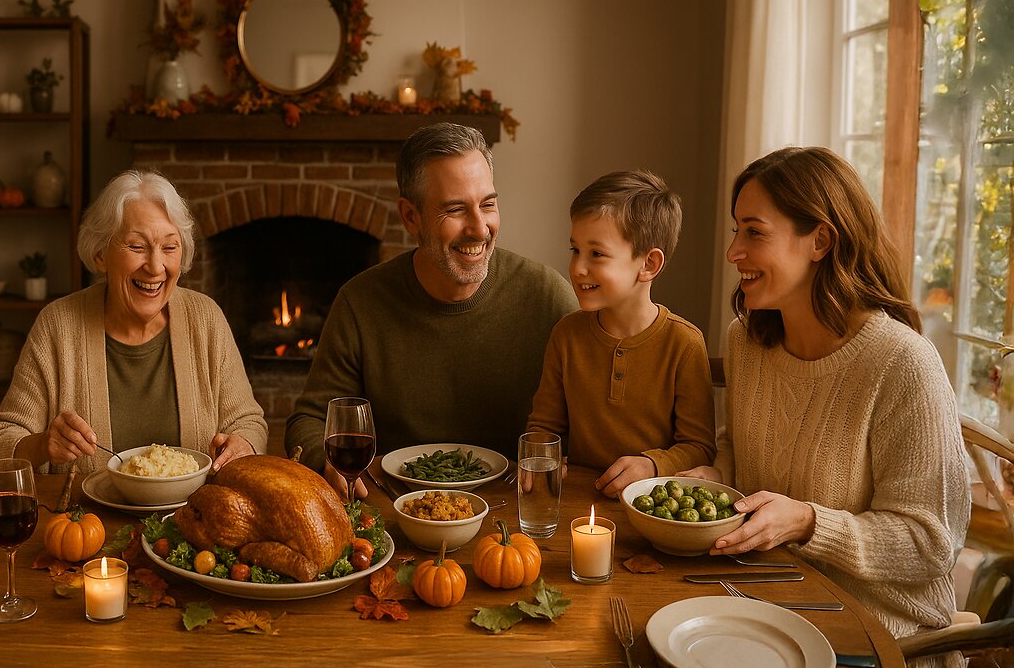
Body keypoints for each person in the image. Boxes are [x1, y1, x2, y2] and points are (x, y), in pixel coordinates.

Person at [682, 146, 967, 665]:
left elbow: (932, 543)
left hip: (879, 639)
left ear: (820, 240)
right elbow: (738, 450)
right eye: (735, 230)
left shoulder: (902, 363)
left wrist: (811, 523)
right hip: (767, 607)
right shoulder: (747, 343)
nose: (733, 252)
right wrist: (713, 474)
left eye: (754, 232)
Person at [286, 122, 578, 496]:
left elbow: (592, 419)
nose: (479, 228)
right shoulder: (360, 302)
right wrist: (325, 458)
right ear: (411, 217)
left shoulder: (548, 296)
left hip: (517, 508)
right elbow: (309, 420)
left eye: (488, 204)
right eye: (455, 210)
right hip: (398, 509)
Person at [0, 170, 267, 475]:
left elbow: (249, 423)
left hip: (191, 517)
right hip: (88, 521)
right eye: (137, 246)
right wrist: (42, 445)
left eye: (169, 247)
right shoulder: (58, 325)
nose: (156, 267)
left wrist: (243, 445)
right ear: (101, 254)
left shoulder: (205, 318)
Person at [526, 171, 715, 498]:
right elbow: (544, 427)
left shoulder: (685, 344)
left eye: (596, 254)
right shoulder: (566, 335)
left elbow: (699, 447)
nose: (577, 267)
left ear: (649, 264)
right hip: (576, 499)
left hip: (650, 506)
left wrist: (652, 465)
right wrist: (542, 456)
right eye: (575, 250)